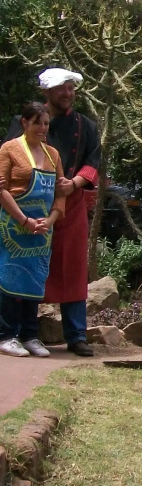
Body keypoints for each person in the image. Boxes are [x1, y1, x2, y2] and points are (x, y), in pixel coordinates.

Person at [5, 68, 101, 356]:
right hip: (29, 206)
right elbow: (10, 158)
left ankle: (76, 335)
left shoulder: (86, 125)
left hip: (70, 205)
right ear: (46, 92)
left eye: (71, 88)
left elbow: (93, 162)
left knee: (72, 267)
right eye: (61, 88)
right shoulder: (21, 123)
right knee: (25, 266)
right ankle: (21, 333)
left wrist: (74, 183)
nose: (68, 94)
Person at [0, 103, 66, 357]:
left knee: (35, 279)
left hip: (42, 229)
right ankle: (6, 335)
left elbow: (59, 192)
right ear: (25, 123)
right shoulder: (9, 149)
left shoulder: (53, 154)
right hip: (14, 226)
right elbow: (2, 188)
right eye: (37, 122)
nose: (42, 128)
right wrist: (23, 220)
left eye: (46, 123)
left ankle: (30, 334)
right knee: (9, 278)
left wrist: (49, 220)